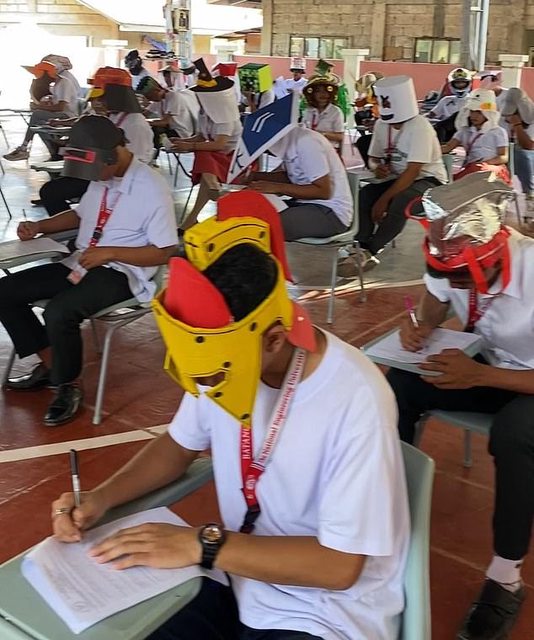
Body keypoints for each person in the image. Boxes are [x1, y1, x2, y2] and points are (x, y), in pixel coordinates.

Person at [51, 196, 410, 640]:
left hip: (321, 612)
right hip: (235, 577)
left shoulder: (355, 399)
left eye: (215, 375)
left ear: (274, 340)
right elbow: (178, 446)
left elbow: (339, 567)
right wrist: (101, 498)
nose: (205, 386)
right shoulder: (219, 356)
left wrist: (202, 544)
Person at [386, 172, 532, 640]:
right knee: (402, 382)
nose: (458, 285)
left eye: (467, 277)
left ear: (495, 253)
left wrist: (480, 376)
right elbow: (434, 299)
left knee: (514, 434)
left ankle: (505, 577)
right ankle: (384, 507)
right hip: (492, 365)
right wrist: (420, 325)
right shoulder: (448, 257)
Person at [0, 116, 177, 426]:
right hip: (81, 261)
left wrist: (110, 252)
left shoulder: (152, 188)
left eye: (95, 171)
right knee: (5, 291)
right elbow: (80, 215)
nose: (93, 179)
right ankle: (52, 364)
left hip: (122, 271)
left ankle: (67, 385)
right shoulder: (102, 177)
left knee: (60, 311)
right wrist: (40, 226)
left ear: (113, 156)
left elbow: (164, 252)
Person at [347, 75, 447, 272]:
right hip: (397, 178)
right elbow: (373, 158)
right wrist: (377, 167)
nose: (393, 124)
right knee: (365, 195)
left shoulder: (420, 127)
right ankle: (361, 246)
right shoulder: (382, 124)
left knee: (402, 201)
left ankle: (371, 250)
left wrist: (383, 200)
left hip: (429, 181)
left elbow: (413, 171)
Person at [246, 123, 353, 241]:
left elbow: (323, 192)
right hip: (306, 204)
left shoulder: (307, 143)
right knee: (252, 215)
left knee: (263, 225)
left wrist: (277, 187)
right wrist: (253, 176)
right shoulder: (290, 140)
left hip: (331, 212)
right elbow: (289, 177)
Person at [169, 58, 241, 230]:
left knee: (203, 154)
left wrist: (190, 146)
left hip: (235, 159)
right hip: (216, 159)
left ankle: (212, 190)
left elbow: (220, 144)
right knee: (205, 170)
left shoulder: (226, 116)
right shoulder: (204, 113)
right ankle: (211, 192)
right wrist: (182, 142)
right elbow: (201, 137)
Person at [3, 59, 79, 161]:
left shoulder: (64, 83)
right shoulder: (55, 85)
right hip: (59, 114)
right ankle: (53, 152)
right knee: (38, 124)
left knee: (36, 116)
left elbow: (61, 107)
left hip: (68, 116)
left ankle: (24, 148)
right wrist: (45, 103)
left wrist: (39, 107)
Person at [442, 89, 510, 184]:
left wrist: (485, 164)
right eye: (472, 111)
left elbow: (503, 157)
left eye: (478, 112)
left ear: (488, 113)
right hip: (472, 168)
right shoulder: (465, 131)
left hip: (492, 169)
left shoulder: (498, 132)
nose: (473, 116)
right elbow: (448, 147)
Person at [136, 76, 199, 148]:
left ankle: (152, 152)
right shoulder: (158, 100)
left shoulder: (174, 96)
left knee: (152, 132)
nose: (149, 99)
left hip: (180, 133)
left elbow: (165, 122)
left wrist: (144, 122)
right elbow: (144, 114)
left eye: (149, 96)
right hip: (169, 130)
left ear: (156, 90)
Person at [501, 87, 534, 214]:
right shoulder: (503, 118)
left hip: (528, 155)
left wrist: (517, 125)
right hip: (510, 153)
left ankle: (530, 196)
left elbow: (528, 145)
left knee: (522, 155)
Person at [302, 59, 345, 149]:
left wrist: (321, 134)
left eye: (326, 91)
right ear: (313, 94)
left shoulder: (335, 111)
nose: (323, 94)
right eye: (318, 91)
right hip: (309, 147)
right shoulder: (308, 110)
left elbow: (340, 136)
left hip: (328, 149)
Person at [428, 67, 473, 143]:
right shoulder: (446, 100)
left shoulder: (473, 100)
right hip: (446, 132)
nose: (460, 85)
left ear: (468, 83)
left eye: (462, 82)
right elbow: (431, 115)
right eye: (457, 83)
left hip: (466, 130)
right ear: (451, 84)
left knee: (457, 115)